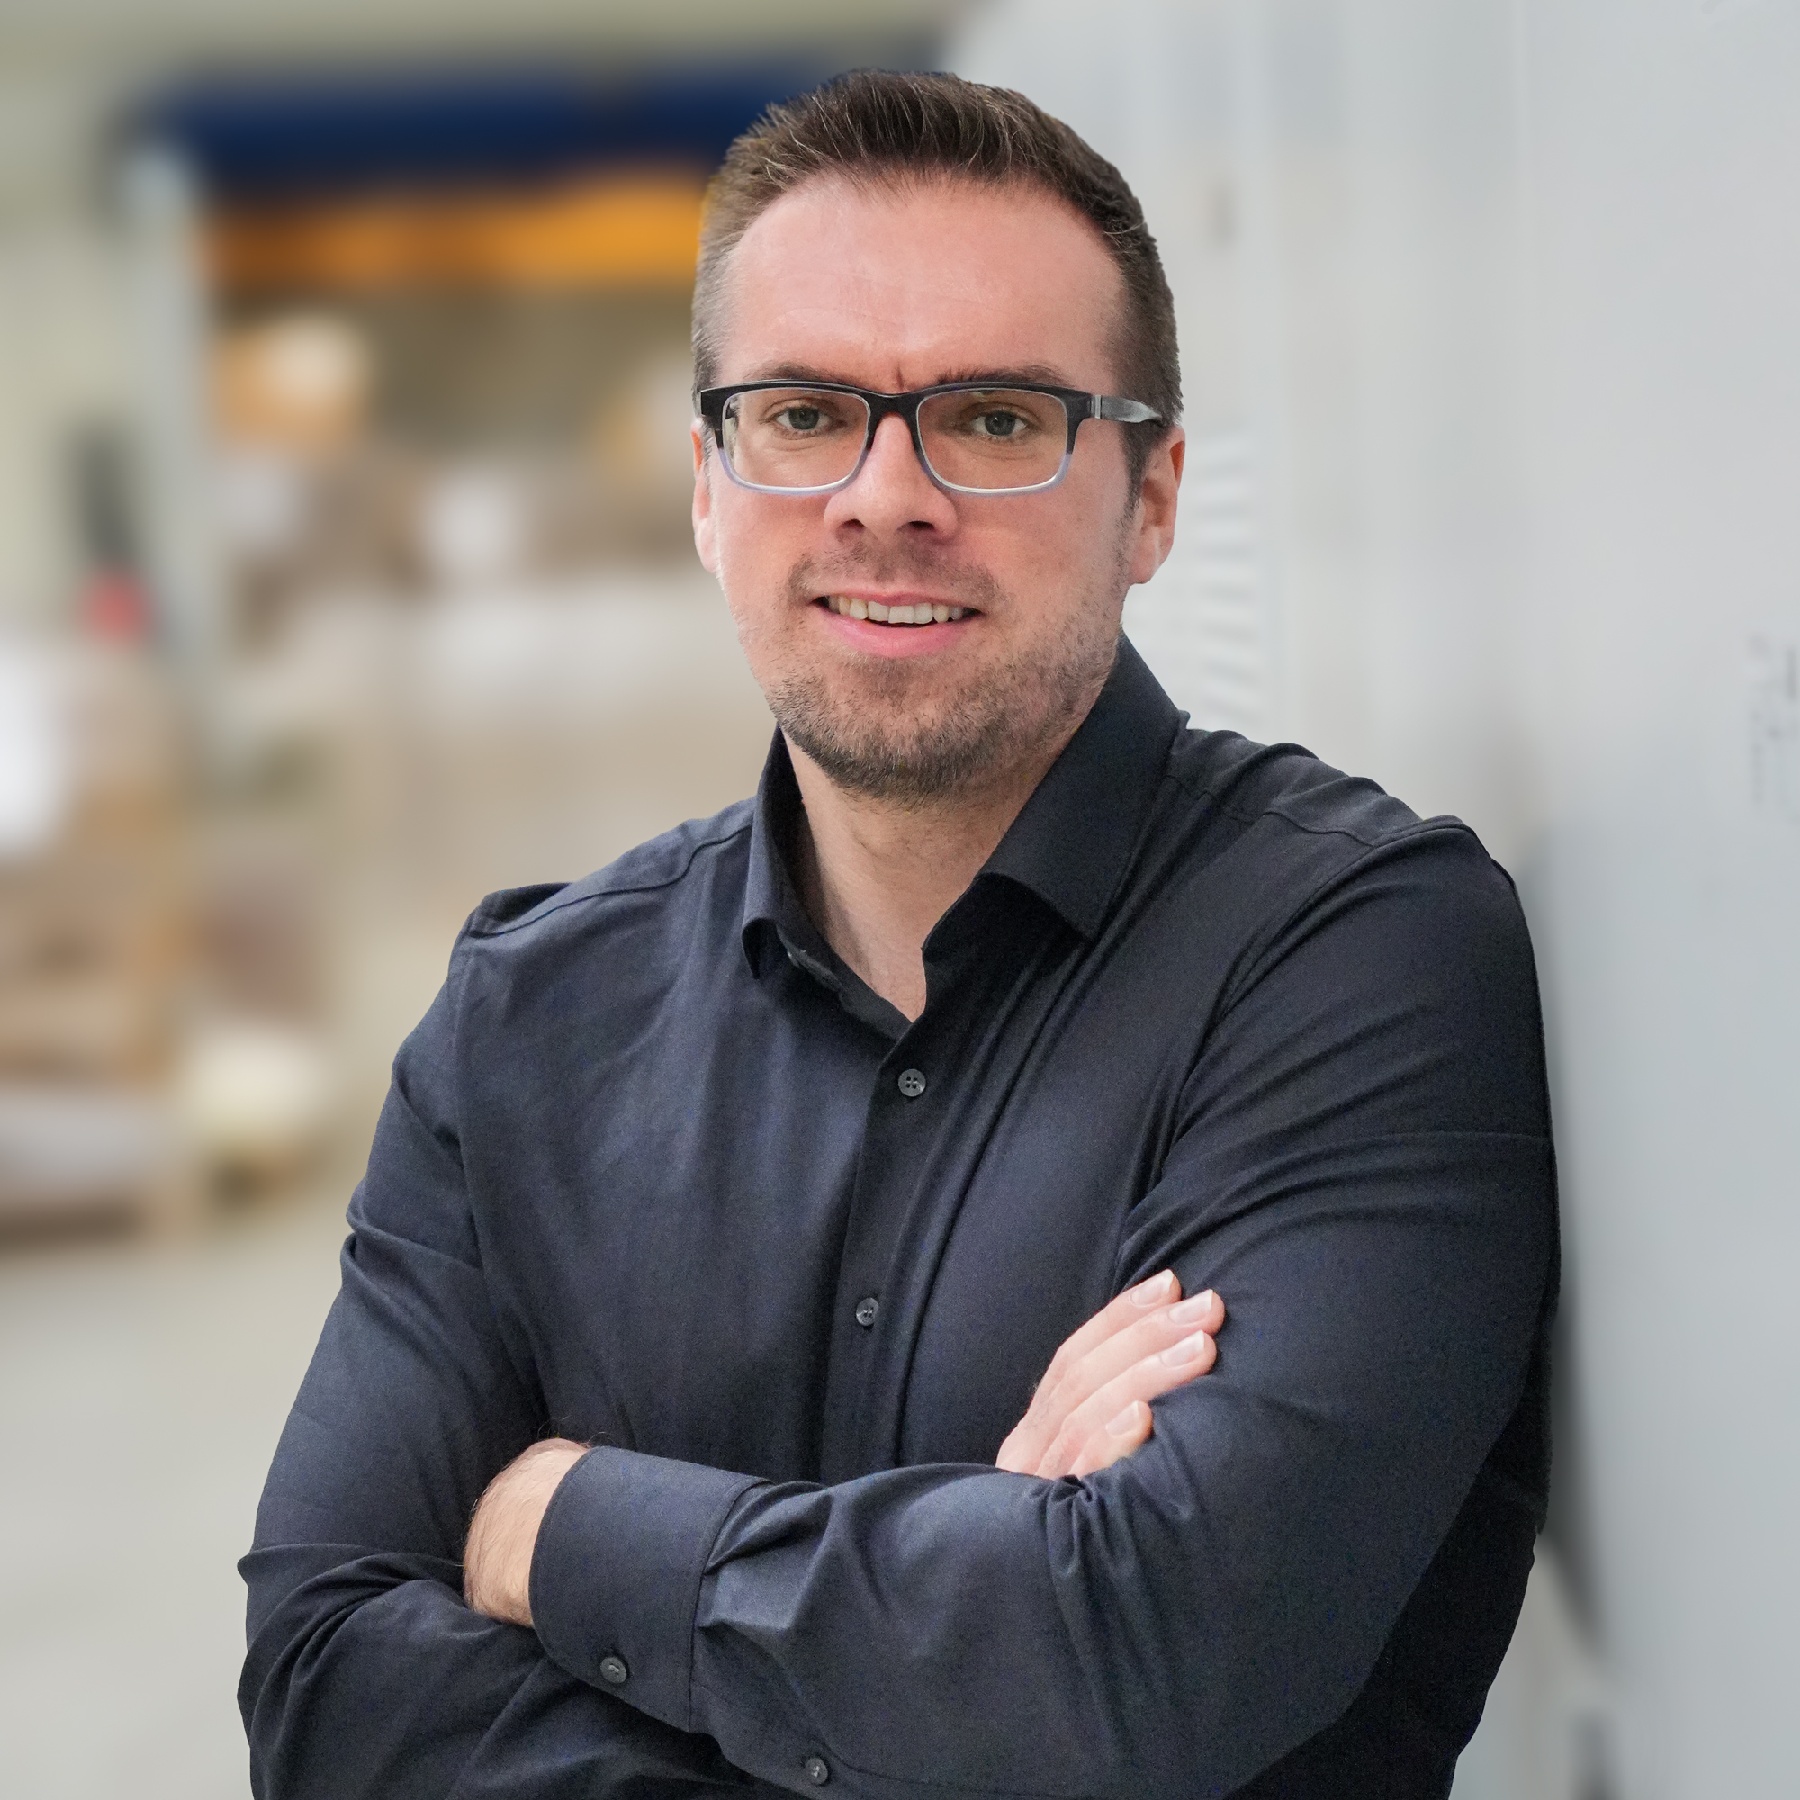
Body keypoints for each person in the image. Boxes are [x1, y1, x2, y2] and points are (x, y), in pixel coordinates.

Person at [241, 71, 1556, 1800]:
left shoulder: (1351, 961)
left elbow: (1150, 1655)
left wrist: (566, 1531)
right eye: (803, 413)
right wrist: (970, 1619)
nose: (885, 496)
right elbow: (326, 1691)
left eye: (996, 419)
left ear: (1155, 497)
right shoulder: (526, 1024)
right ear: (708, 485)